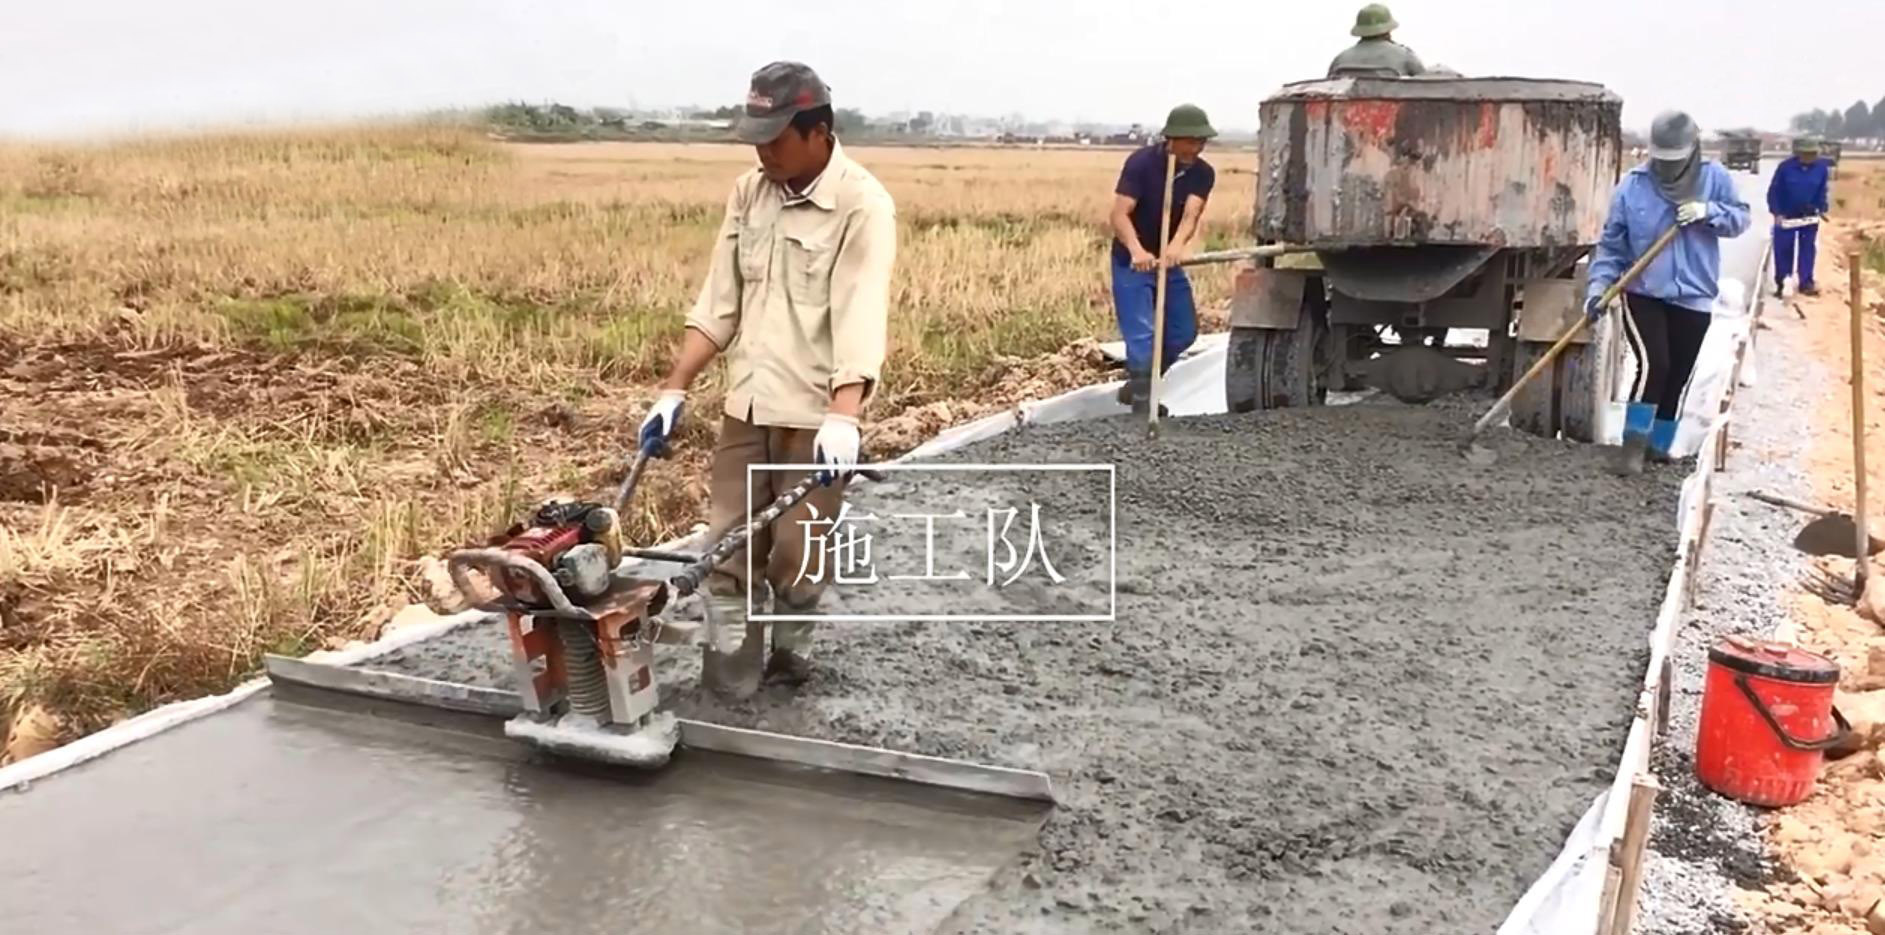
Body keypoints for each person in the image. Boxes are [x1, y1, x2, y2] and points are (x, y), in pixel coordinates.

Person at [637, 61, 895, 689]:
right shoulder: (750, 191)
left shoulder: (861, 204)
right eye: (756, 137)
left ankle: (790, 658)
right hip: (747, 404)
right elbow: (719, 301)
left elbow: (859, 311)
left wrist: (845, 414)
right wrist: (674, 388)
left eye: (776, 138)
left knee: (797, 551)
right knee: (724, 544)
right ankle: (730, 676)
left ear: (819, 131)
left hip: (814, 414)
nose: (764, 152)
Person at [1585, 110, 1750, 475]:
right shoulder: (1632, 186)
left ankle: (1660, 446)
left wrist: (1709, 211)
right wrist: (1598, 289)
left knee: (1679, 371)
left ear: (1692, 151)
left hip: (1694, 294)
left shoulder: (1714, 179)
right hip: (1643, 291)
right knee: (1655, 363)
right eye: (1660, 160)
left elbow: (1740, 219)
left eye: (1674, 161)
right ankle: (1632, 446)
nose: (1666, 168)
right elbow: (1611, 248)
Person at [1109, 104, 1217, 414]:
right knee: (1142, 333)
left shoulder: (1202, 172)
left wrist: (1176, 246)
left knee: (1184, 332)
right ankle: (1145, 404)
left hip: (1167, 262)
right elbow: (1119, 214)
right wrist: (1137, 251)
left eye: (1201, 143)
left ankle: (1140, 384)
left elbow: (1191, 215)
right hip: (1132, 261)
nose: (1196, 149)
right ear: (1171, 139)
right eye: (1190, 142)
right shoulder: (1141, 164)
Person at [1768, 137, 1831, 297]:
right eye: (1807, 154)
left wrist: (1821, 208)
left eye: (1813, 154)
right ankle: (1783, 283)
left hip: (1808, 216)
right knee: (1783, 249)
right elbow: (1774, 192)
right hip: (1786, 215)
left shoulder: (1821, 169)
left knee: (1808, 248)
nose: (1810, 157)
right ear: (1798, 153)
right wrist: (1777, 213)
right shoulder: (1785, 168)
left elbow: (1822, 191)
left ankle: (1806, 283)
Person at [1328, 4, 1425, 78]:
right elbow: (1425, 84)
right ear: (1389, 29)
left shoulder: (1340, 60)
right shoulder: (1404, 55)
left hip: (1348, 104)